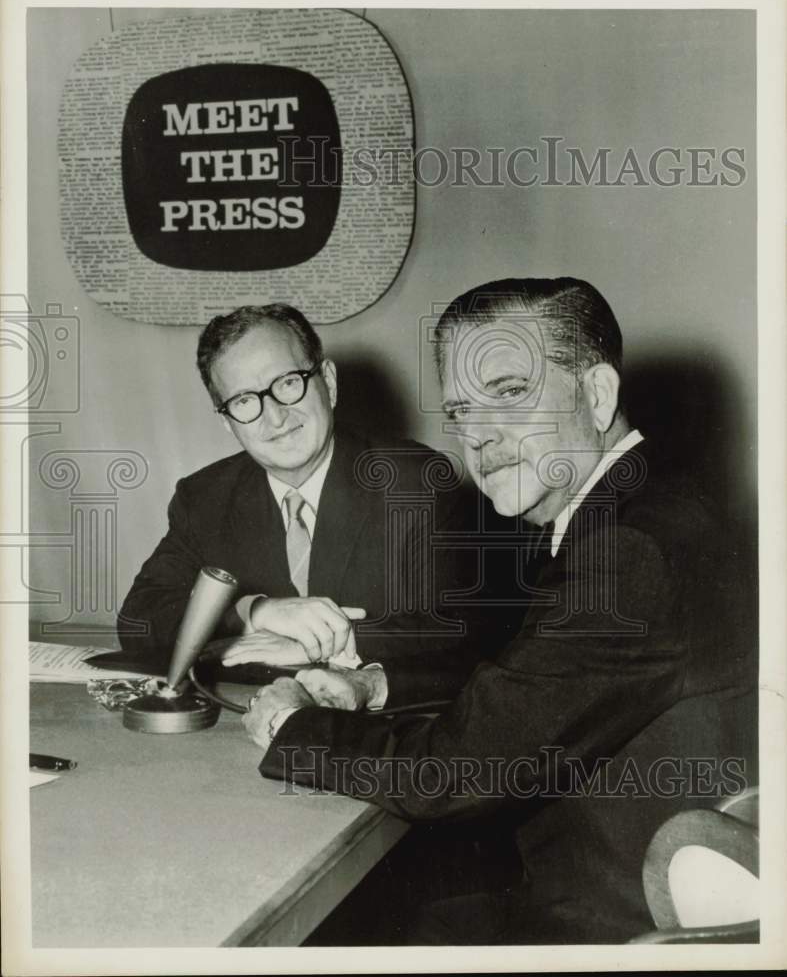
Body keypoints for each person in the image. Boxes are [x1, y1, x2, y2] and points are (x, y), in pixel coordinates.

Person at [245, 278, 757, 944]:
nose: (478, 438)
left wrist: (294, 725)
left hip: (610, 926)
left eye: (510, 395)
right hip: (600, 879)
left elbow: (456, 772)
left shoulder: (629, 551)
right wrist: (374, 686)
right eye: (460, 412)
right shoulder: (634, 508)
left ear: (596, 395)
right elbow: (527, 673)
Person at [118, 303, 519, 685]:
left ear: (327, 381)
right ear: (227, 423)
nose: (275, 417)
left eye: (288, 383)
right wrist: (255, 613)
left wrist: (330, 641)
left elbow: (470, 628)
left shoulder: (416, 482)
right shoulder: (205, 496)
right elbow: (139, 618)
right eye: (244, 401)